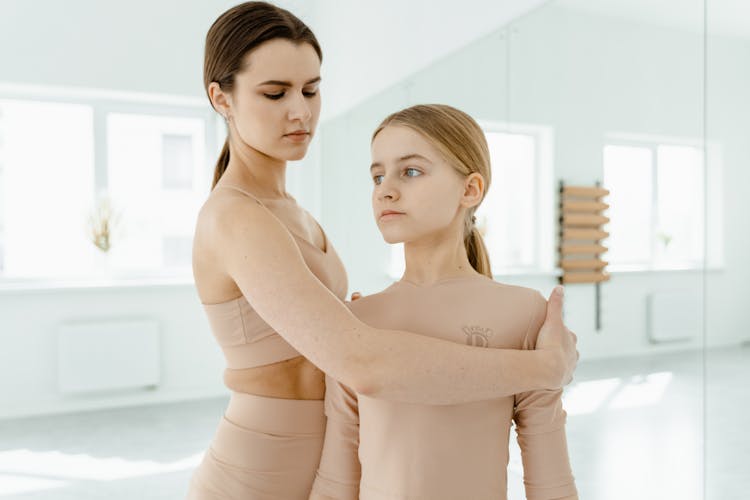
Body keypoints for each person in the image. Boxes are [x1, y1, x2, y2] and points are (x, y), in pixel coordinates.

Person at [187, 3, 578, 499]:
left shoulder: (293, 212)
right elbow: (363, 362)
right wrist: (542, 369)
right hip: (261, 470)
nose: (301, 111)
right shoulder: (234, 216)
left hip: (330, 460)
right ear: (221, 98)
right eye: (274, 93)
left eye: (311, 89)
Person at [310, 104, 578, 500]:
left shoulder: (524, 313)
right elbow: (337, 479)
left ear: (470, 189)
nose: (385, 188)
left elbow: (550, 480)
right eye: (377, 175)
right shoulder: (355, 321)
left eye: (411, 171)